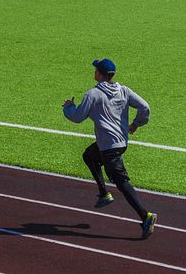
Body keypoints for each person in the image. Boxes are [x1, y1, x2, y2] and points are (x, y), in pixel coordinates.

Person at [62, 58, 157, 239]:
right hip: (120, 143)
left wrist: (68, 107)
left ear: (99, 74)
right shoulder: (124, 91)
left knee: (122, 183)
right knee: (89, 156)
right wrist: (136, 124)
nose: (94, 71)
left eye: (96, 69)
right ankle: (104, 193)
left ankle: (147, 216)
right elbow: (145, 107)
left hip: (109, 148)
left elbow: (77, 117)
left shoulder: (93, 95)